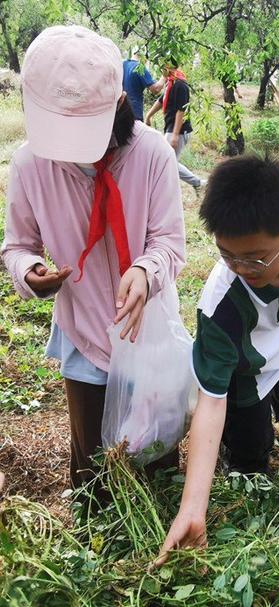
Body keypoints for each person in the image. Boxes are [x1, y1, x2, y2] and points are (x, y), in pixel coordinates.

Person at [1, 25, 186, 489]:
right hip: (81, 329)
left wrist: (145, 272)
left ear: (120, 104)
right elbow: (17, 247)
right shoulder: (29, 166)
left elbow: (169, 241)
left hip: (148, 330)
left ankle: (163, 522)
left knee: (157, 443)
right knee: (92, 459)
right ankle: (93, 525)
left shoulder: (152, 157)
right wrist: (31, 272)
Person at [156, 155, 279, 561]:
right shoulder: (221, 308)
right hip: (246, 375)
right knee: (251, 448)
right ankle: (246, 476)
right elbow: (211, 402)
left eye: (254, 258)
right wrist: (192, 508)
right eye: (226, 255)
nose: (239, 268)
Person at [145, 62, 205, 191]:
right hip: (172, 128)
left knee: (167, 162)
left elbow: (181, 111)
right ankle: (196, 183)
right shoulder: (171, 82)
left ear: (169, 67)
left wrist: (175, 135)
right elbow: (162, 100)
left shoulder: (180, 85)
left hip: (179, 130)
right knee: (167, 162)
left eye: (163, 67)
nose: (161, 70)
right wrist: (148, 115)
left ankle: (197, 183)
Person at [122, 53, 165, 121]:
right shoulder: (140, 67)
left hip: (118, 112)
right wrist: (165, 75)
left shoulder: (122, 64)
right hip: (134, 113)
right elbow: (156, 89)